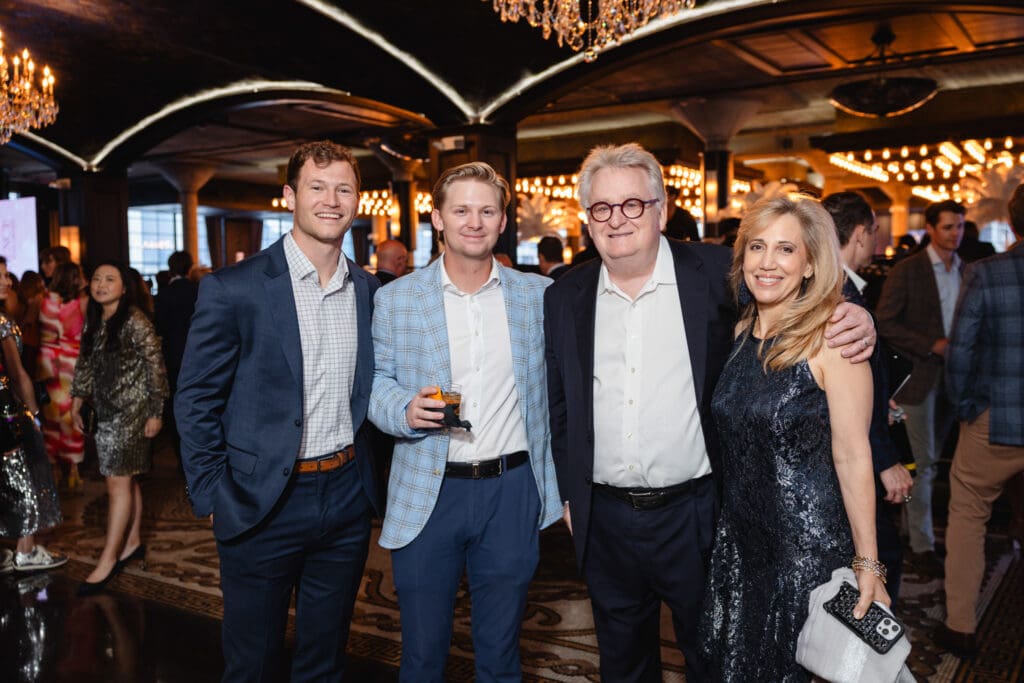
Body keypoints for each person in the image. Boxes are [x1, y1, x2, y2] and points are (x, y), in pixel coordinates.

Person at [543, 143, 877, 682]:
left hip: (700, 514)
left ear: (662, 207)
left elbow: (799, 288)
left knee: (715, 660)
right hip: (603, 518)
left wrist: (858, 317)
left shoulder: (718, 271)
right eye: (602, 208)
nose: (617, 219)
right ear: (587, 219)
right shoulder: (565, 294)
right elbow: (559, 404)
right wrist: (567, 492)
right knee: (621, 663)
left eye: (633, 204)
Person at [175, 140, 379, 682]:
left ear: (358, 199)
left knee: (325, 657)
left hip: (344, 496)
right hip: (260, 499)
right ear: (289, 195)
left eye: (344, 188)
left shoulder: (368, 290)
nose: (331, 200)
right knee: (253, 662)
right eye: (317, 187)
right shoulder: (235, 288)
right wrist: (212, 490)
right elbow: (195, 397)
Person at [369, 161, 561, 682]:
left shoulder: (538, 297)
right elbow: (374, 383)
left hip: (512, 490)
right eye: (461, 210)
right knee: (423, 655)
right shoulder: (395, 299)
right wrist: (402, 409)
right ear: (438, 218)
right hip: (428, 491)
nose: (473, 222)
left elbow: (564, 391)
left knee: (500, 657)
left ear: (503, 222)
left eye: (486, 210)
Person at [701, 194, 889, 680]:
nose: (767, 263)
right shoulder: (743, 331)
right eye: (756, 247)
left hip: (807, 557)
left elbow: (853, 456)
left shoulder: (833, 339)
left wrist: (869, 564)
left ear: (809, 264)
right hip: (742, 549)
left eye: (786, 250)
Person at [937, 183, 1024, 658]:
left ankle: (961, 626)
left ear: (1012, 224)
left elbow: (961, 348)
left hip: (997, 418)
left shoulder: (988, 273)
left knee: (968, 515)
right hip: (997, 414)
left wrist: (966, 406)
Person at [822, 191, 913, 601]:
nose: (875, 241)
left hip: (851, 440)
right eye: (874, 232)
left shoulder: (839, 287)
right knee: (880, 551)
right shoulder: (839, 294)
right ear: (860, 234)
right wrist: (887, 459)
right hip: (850, 448)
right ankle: (871, 640)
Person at [876, 199, 965, 577]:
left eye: (959, 227)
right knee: (923, 465)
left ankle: (915, 534)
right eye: (947, 227)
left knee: (935, 461)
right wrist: (931, 343)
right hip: (918, 380)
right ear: (930, 228)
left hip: (954, 378)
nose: (955, 234)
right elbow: (884, 322)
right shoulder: (909, 270)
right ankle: (921, 544)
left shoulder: (966, 270)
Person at [70, 261, 167, 595]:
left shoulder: (135, 321)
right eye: (96, 279)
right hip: (106, 412)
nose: (100, 284)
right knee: (127, 480)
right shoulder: (96, 319)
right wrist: (78, 398)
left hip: (131, 414)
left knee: (117, 485)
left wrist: (156, 412)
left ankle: (108, 559)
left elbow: (157, 368)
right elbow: (86, 360)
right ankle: (134, 541)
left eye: (110, 279)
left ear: (125, 288)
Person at [0, 264, 66, 574]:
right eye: (0, 276)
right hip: (5, 411)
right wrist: (33, 414)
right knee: (22, 477)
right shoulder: (1, 323)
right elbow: (17, 374)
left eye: (7, 275)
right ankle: (25, 551)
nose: (7, 282)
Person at [37, 261, 88, 490]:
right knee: (72, 417)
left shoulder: (45, 300)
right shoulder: (81, 303)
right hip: (71, 363)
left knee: (51, 418)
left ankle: (54, 467)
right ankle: (74, 468)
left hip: (47, 362)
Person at [153, 250, 198, 462]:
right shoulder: (198, 290)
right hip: (196, 354)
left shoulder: (164, 295)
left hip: (172, 355)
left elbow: (159, 327)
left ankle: (181, 453)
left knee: (175, 403)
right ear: (189, 268)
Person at [15, 270, 45, 378]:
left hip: (30, 341)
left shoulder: (33, 300)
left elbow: (28, 321)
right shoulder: (40, 298)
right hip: (35, 341)